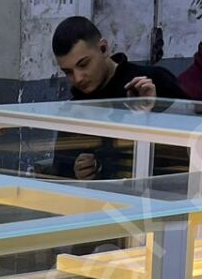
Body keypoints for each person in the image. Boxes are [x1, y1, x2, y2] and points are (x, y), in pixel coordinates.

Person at [50, 16, 177, 180]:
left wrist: (154, 110)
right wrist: (76, 172)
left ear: (103, 49)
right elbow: (59, 172)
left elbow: (194, 141)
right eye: (68, 72)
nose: (78, 78)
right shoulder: (75, 111)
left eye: (83, 64)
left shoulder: (155, 82)